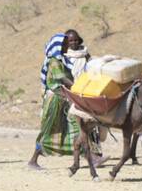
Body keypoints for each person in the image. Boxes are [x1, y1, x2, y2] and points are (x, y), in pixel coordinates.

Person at [29, 29, 98, 168]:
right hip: (55, 101)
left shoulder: (62, 59)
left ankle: (91, 157)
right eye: (65, 44)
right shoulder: (54, 61)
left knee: (76, 126)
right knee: (50, 130)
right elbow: (61, 78)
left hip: (64, 98)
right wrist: (77, 87)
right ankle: (33, 159)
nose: (68, 46)